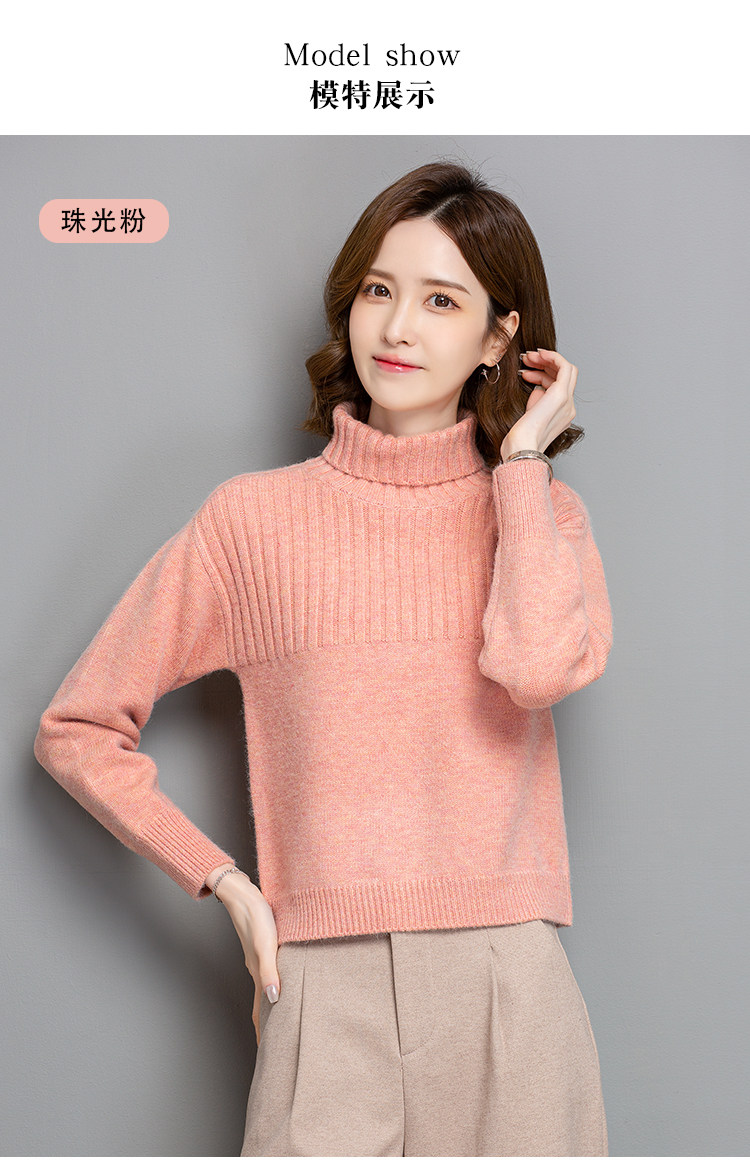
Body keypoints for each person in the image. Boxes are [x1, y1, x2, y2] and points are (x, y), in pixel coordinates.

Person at [34, 160, 613, 1157]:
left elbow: (536, 671)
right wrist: (226, 884)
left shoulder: (543, 519)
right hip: (321, 985)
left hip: (507, 989)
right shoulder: (251, 524)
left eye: (442, 300)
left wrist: (521, 464)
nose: (398, 327)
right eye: (380, 290)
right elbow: (77, 727)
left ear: (500, 337)